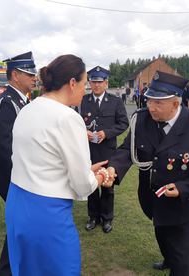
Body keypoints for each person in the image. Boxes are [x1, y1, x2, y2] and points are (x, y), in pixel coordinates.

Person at [5, 54, 115, 276]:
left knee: (26, 268)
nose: (85, 90)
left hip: (17, 202)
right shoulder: (68, 117)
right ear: (72, 83)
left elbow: (42, 161)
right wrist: (101, 176)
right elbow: (83, 185)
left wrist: (86, 172)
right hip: (46, 212)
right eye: (84, 84)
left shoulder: (28, 108)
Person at [107, 71, 189, 276]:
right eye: (149, 100)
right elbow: (128, 149)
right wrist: (113, 168)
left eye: (158, 103)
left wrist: (182, 188)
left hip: (182, 204)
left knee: (181, 256)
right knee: (161, 234)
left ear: (176, 104)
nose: (150, 107)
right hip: (153, 198)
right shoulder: (142, 120)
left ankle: (175, 263)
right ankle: (168, 258)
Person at [0, 51, 36, 276]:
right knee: (20, 226)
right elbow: (5, 146)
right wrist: (23, 178)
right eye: (29, 73)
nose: (34, 77)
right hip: (14, 178)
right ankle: (6, 271)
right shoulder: (5, 103)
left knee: (24, 226)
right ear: (15, 75)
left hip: (24, 176)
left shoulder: (23, 100)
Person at [80, 66, 128, 233]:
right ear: (90, 83)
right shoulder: (82, 101)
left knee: (107, 184)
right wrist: (82, 131)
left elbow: (123, 124)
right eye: (93, 82)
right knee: (91, 185)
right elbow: (75, 122)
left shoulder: (116, 102)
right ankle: (93, 216)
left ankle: (107, 218)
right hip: (89, 150)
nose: (96, 85)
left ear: (106, 83)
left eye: (100, 82)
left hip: (108, 150)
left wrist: (106, 133)